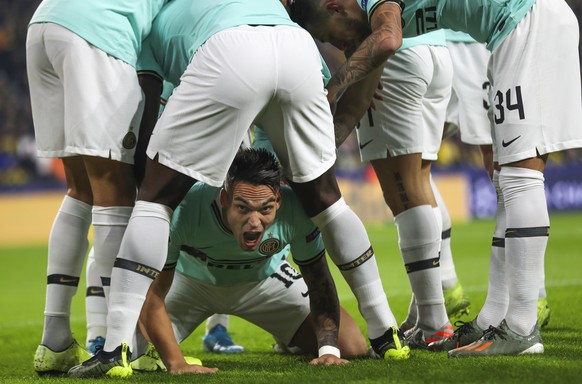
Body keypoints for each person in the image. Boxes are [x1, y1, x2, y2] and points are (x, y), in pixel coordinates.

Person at [68, 0, 407, 378]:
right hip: (297, 50)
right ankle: (385, 331)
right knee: (328, 201)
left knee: (155, 200)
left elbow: (149, 101)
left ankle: (116, 349)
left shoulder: (149, 24)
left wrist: (146, 177)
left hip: (229, 49)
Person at [289, 0, 582, 356]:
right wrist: (323, 145)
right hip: (508, 32)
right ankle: (495, 319)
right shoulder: (374, 25)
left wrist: (331, 88)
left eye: (326, 35)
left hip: (525, 22)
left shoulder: (378, 13)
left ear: (335, 8)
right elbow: (370, 73)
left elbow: (387, 41)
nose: (334, 45)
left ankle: (520, 326)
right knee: (508, 178)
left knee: (519, 177)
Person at [26, 0, 168, 375]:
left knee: (80, 189)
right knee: (113, 187)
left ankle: (54, 340)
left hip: (45, 24)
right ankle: (124, 344)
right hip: (98, 34)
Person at [136, 148, 368, 374]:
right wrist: (177, 363)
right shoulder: (185, 208)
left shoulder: (296, 209)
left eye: (265, 209)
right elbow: (152, 295)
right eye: (242, 208)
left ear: (278, 200)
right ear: (224, 198)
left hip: (265, 282)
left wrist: (329, 351)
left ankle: (288, 339)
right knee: (135, 352)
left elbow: (320, 282)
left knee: (351, 346)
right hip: (190, 283)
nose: (254, 222)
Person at [341, 29, 456, 348]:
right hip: (437, 50)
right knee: (420, 181)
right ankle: (425, 314)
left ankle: (435, 322)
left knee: (402, 191)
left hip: (393, 58)